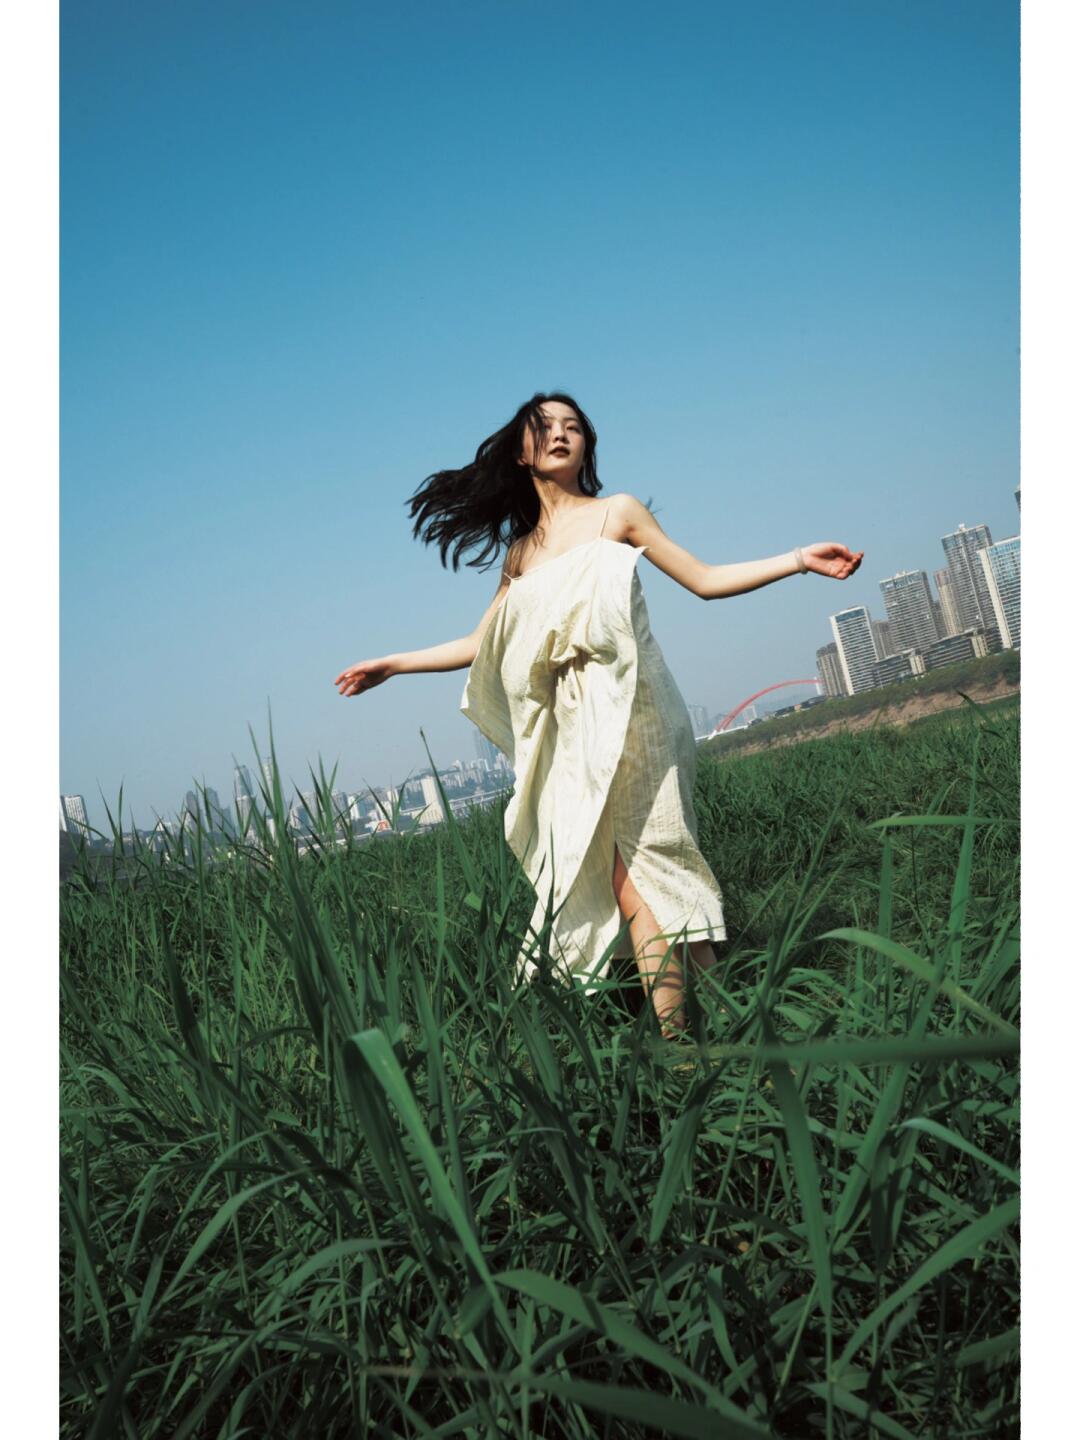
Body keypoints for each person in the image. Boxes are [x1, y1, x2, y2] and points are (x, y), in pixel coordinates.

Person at [334, 393, 863, 1038]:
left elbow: (704, 579)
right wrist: (394, 663)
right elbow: (479, 644)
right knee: (643, 880)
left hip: (635, 708)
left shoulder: (618, 512)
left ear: (586, 444)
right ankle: (727, 1018)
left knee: (641, 874)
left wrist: (798, 559)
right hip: (573, 731)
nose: (561, 434)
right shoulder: (522, 553)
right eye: (544, 427)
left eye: (573, 427)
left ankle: (679, 1047)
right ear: (521, 452)